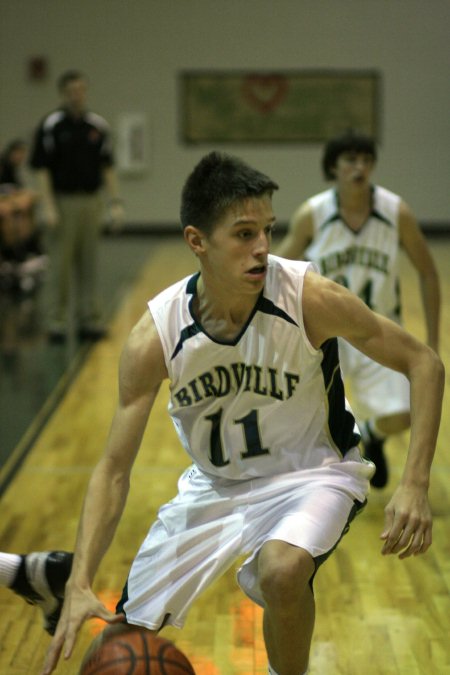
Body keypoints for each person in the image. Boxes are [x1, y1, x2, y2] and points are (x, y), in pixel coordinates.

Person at [0, 152, 444, 675]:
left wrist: (414, 483)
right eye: (243, 233)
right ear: (197, 241)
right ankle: (58, 578)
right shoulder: (157, 335)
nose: (262, 248)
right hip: (214, 487)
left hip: (314, 474)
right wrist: (80, 585)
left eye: (268, 230)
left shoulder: (308, 297)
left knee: (283, 572)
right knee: (123, 647)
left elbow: (424, 363)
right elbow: (114, 471)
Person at [277, 130, 441, 488]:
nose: (360, 167)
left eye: (366, 160)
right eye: (351, 160)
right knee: (299, 423)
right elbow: (278, 269)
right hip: (325, 332)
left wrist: (432, 338)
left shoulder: (395, 211)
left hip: (378, 328)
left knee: (408, 411)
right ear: (333, 167)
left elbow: (428, 273)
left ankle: (369, 434)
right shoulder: (313, 213)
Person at [29, 70, 125, 342]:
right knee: (61, 263)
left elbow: (107, 167)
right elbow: (41, 169)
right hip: (63, 201)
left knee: (90, 261)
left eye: (81, 90)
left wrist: (114, 202)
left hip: (91, 201)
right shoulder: (52, 126)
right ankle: (56, 321)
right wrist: (47, 206)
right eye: (71, 91)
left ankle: (90, 319)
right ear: (63, 94)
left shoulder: (97, 126)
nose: (77, 96)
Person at [0, 139, 46, 292]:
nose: (21, 158)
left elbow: (14, 189)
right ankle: (13, 254)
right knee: (11, 212)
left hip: (9, 206)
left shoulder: (12, 169)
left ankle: (25, 250)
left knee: (25, 207)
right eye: (19, 153)